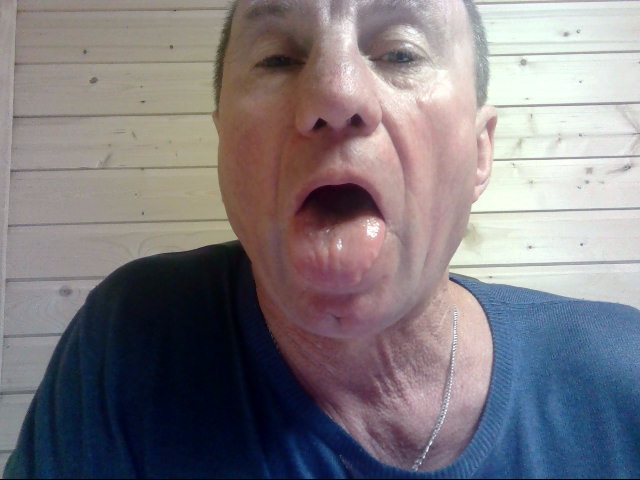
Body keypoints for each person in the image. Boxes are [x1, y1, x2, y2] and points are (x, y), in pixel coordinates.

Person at [4, 0, 640, 477]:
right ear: (225, 145)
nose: (335, 94)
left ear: (480, 152)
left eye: (401, 53)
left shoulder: (624, 373)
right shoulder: (134, 344)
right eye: (278, 57)